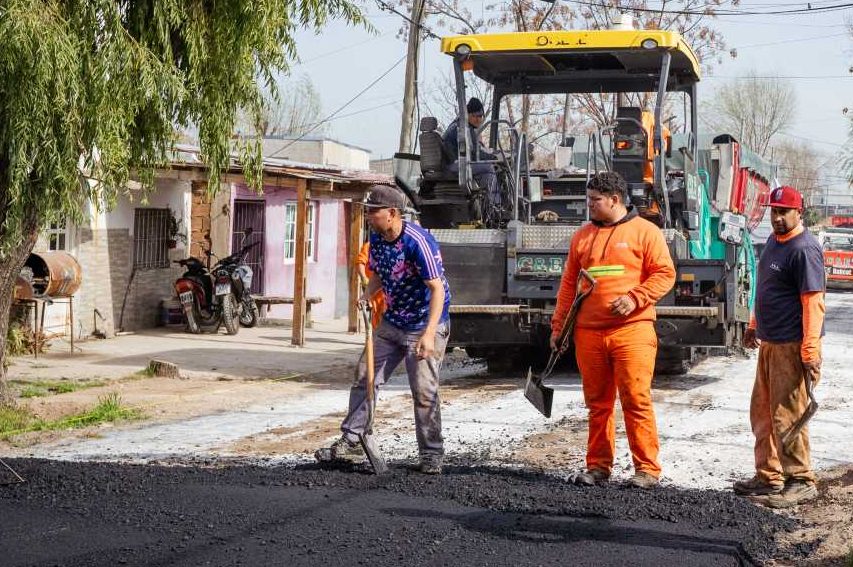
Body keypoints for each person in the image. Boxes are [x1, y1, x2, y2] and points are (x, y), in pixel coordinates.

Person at [551, 171, 675, 489]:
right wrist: (559, 328)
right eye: (588, 199)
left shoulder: (645, 232)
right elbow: (569, 285)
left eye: (595, 200)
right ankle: (597, 467)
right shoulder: (582, 237)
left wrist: (635, 299)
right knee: (597, 403)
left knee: (635, 398)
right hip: (588, 333)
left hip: (632, 331)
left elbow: (664, 274)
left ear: (615, 200)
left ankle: (647, 470)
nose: (589, 205)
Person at [320, 185, 452, 474]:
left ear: (392, 213)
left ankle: (431, 453)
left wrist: (430, 333)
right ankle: (353, 438)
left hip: (423, 323)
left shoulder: (419, 241)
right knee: (365, 375)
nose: (368, 216)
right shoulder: (378, 239)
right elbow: (380, 272)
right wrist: (369, 294)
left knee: (424, 390)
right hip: (392, 321)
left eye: (372, 212)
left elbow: (437, 288)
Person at [733, 185, 826, 508]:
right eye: (773, 211)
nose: (777, 217)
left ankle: (800, 479)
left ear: (798, 212)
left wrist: (810, 351)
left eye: (783, 211)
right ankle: (769, 476)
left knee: (788, 415)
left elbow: (813, 302)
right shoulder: (774, 242)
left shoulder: (804, 248)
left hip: (793, 344)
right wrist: (755, 325)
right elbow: (766, 288)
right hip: (770, 343)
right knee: (761, 414)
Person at [442, 97, 501, 210]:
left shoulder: (457, 125)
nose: (478, 119)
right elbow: (474, 153)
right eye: (475, 116)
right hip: (455, 164)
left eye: (480, 116)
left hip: (455, 163)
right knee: (489, 167)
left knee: (487, 175)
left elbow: (474, 150)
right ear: (468, 114)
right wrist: (493, 157)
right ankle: (496, 207)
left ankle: (485, 210)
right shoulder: (462, 128)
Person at [355, 241, 385, 328]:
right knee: (376, 312)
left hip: (388, 287)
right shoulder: (369, 246)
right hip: (373, 286)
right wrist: (364, 278)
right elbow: (360, 262)